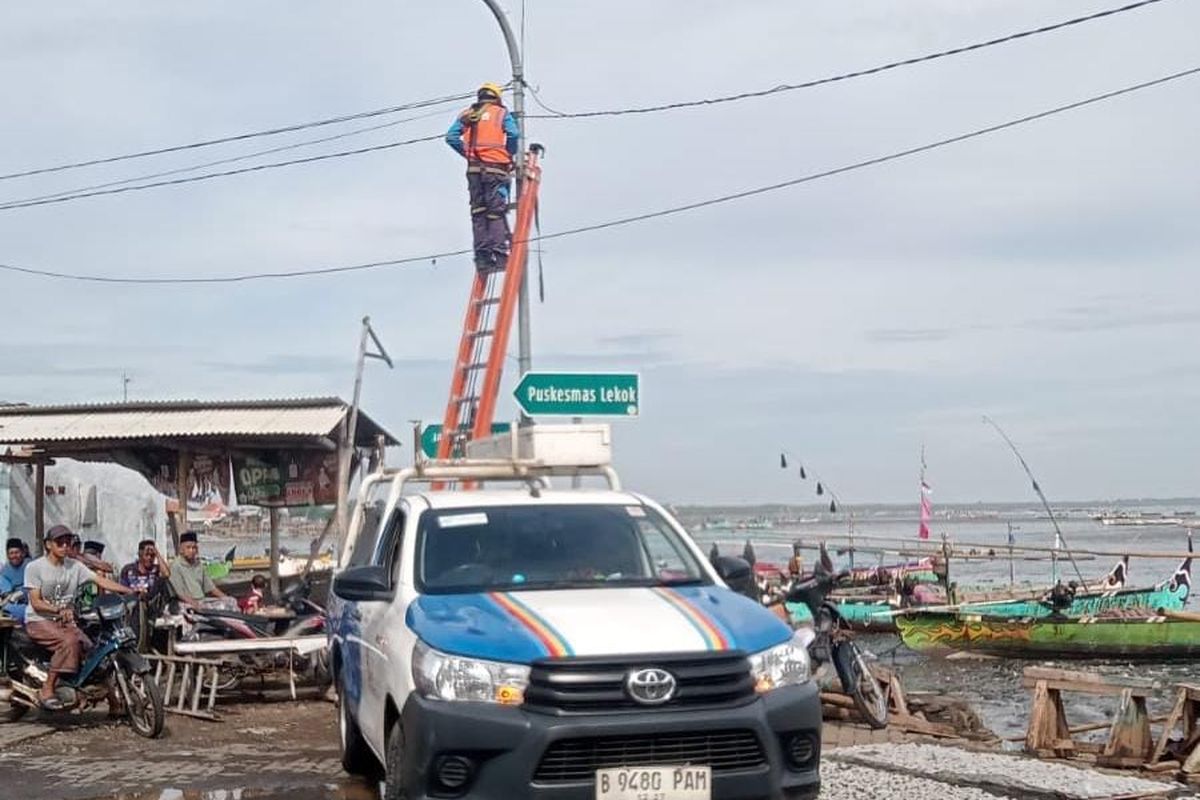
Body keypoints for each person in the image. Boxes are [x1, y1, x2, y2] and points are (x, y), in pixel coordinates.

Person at [24, 525, 134, 710]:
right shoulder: (35, 567)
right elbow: (36, 602)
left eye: (68, 542)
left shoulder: (74, 566)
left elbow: (100, 580)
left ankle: (113, 702)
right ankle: (48, 689)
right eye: (59, 542)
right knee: (69, 641)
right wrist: (58, 611)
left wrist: (129, 590)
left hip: (66, 622)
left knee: (96, 654)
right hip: (39, 620)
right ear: (48, 544)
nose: (65, 545)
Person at [445, 82, 521, 272]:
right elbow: (513, 134)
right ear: (497, 97)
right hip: (496, 169)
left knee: (478, 213)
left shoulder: (467, 114)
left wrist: (469, 155)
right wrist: (508, 154)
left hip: (474, 172)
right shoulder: (501, 113)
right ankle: (501, 256)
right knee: (495, 213)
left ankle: (482, 258)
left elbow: (451, 137)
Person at [167, 531, 226, 606]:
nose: (191, 550)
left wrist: (226, 598)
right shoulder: (176, 566)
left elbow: (211, 588)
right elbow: (180, 594)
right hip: (185, 604)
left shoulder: (199, 565)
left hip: (201, 601)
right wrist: (196, 605)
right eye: (188, 547)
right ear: (181, 549)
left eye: (194, 548)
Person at [1, 537, 31, 622]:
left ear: (22, 553)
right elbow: (6, 591)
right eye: (11, 553)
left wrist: (19, 594)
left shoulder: (30, 565)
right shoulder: (5, 570)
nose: (14, 556)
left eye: (17, 552)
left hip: (30, 601)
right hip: (13, 603)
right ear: (7, 555)